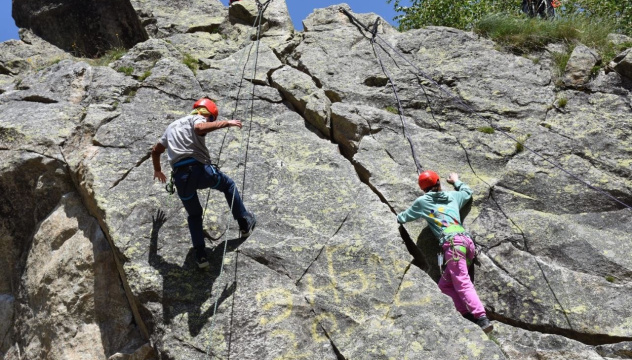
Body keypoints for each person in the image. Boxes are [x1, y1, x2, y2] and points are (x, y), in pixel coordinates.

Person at [152, 98, 256, 269]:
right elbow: (200, 128)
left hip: (181, 178)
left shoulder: (171, 127)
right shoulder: (198, 118)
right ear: (208, 114)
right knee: (228, 186)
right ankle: (244, 222)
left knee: (194, 215)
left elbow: (156, 150)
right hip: (200, 171)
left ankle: (201, 256)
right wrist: (227, 123)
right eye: (211, 120)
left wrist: (157, 170)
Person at [396, 170, 493, 333]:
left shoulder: (422, 202)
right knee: (445, 285)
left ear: (423, 189)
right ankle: (467, 316)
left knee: (462, 281)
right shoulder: (453, 196)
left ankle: (481, 317)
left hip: (453, 245)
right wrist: (456, 181)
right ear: (439, 182)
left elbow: (403, 217)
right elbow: (467, 192)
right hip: (467, 244)